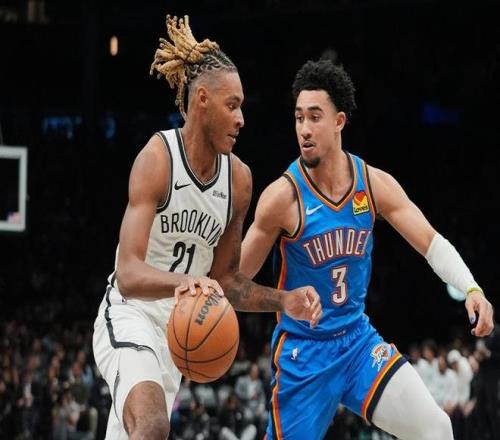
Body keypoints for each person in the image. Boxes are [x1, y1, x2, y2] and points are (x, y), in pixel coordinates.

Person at [92, 14, 322, 440]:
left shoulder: (238, 180)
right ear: (201, 99)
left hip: (179, 332)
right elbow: (128, 273)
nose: (241, 119)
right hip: (130, 314)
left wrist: (285, 300)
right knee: (153, 425)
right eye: (232, 105)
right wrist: (186, 283)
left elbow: (226, 282)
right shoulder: (158, 158)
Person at [240, 58, 495, 440]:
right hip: (304, 353)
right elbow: (232, 284)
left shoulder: (372, 184)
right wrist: (281, 300)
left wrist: (471, 287)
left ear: (339, 121)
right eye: (298, 118)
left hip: (357, 342)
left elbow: (430, 242)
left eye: (315, 117)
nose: (304, 129)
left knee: (436, 428)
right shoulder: (282, 197)